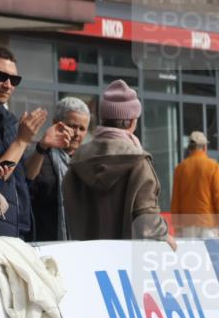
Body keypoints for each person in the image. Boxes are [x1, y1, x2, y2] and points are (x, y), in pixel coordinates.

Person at [0, 45, 70, 240]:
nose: (8, 85)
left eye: (14, 80)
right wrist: (23, 139)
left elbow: (24, 176)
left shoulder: (9, 120)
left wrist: (42, 147)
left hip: (21, 227)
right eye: (1, 76)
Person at [63, 80, 172, 246]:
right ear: (131, 121)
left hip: (85, 260)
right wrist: (165, 235)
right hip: (125, 263)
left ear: (103, 118)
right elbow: (146, 222)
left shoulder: (77, 160)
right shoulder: (138, 161)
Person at [26, 97, 90, 242]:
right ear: (56, 124)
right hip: (44, 244)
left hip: (80, 246)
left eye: (82, 129)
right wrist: (41, 149)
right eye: (72, 126)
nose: (77, 133)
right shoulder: (38, 155)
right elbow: (27, 183)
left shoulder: (88, 163)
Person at [171, 131, 219, 238]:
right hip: (208, 225)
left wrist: (177, 227)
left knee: (191, 254)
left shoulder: (180, 169)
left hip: (187, 226)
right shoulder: (213, 166)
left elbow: (176, 200)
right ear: (204, 148)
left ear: (190, 149)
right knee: (209, 255)